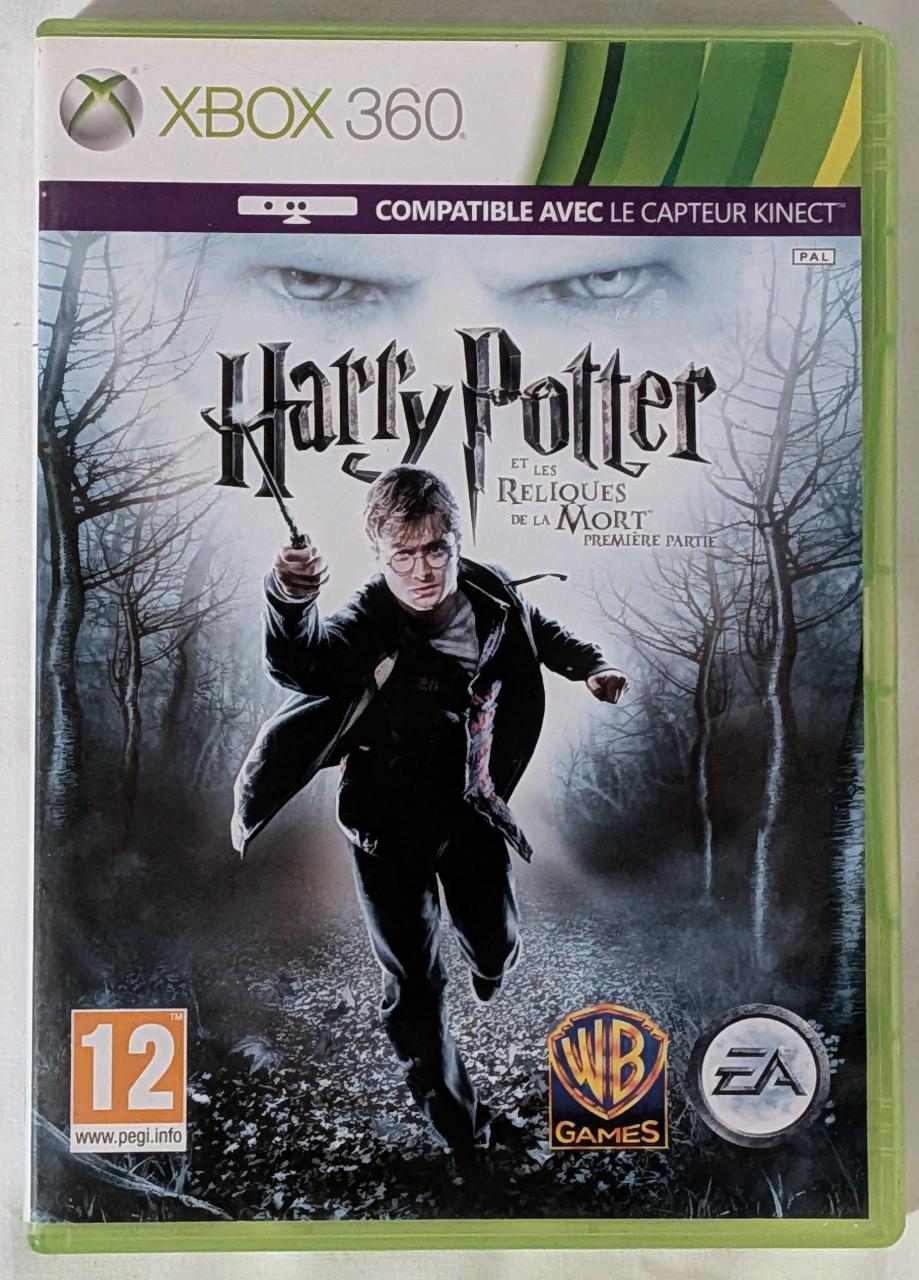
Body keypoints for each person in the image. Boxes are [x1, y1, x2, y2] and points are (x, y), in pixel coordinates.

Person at [232, 465, 628, 1162]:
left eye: (436, 549)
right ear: (379, 554)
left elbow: (536, 628)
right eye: (403, 555)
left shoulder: (490, 590)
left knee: (495, 944)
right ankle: (461, 1131)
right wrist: (291, 596)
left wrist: (590, 665)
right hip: (385, 836)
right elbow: (302, 664)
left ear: (456, 541)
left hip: (474, 815)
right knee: (414, 989)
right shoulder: (365, 623)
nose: (423, 570)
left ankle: (488, 968)